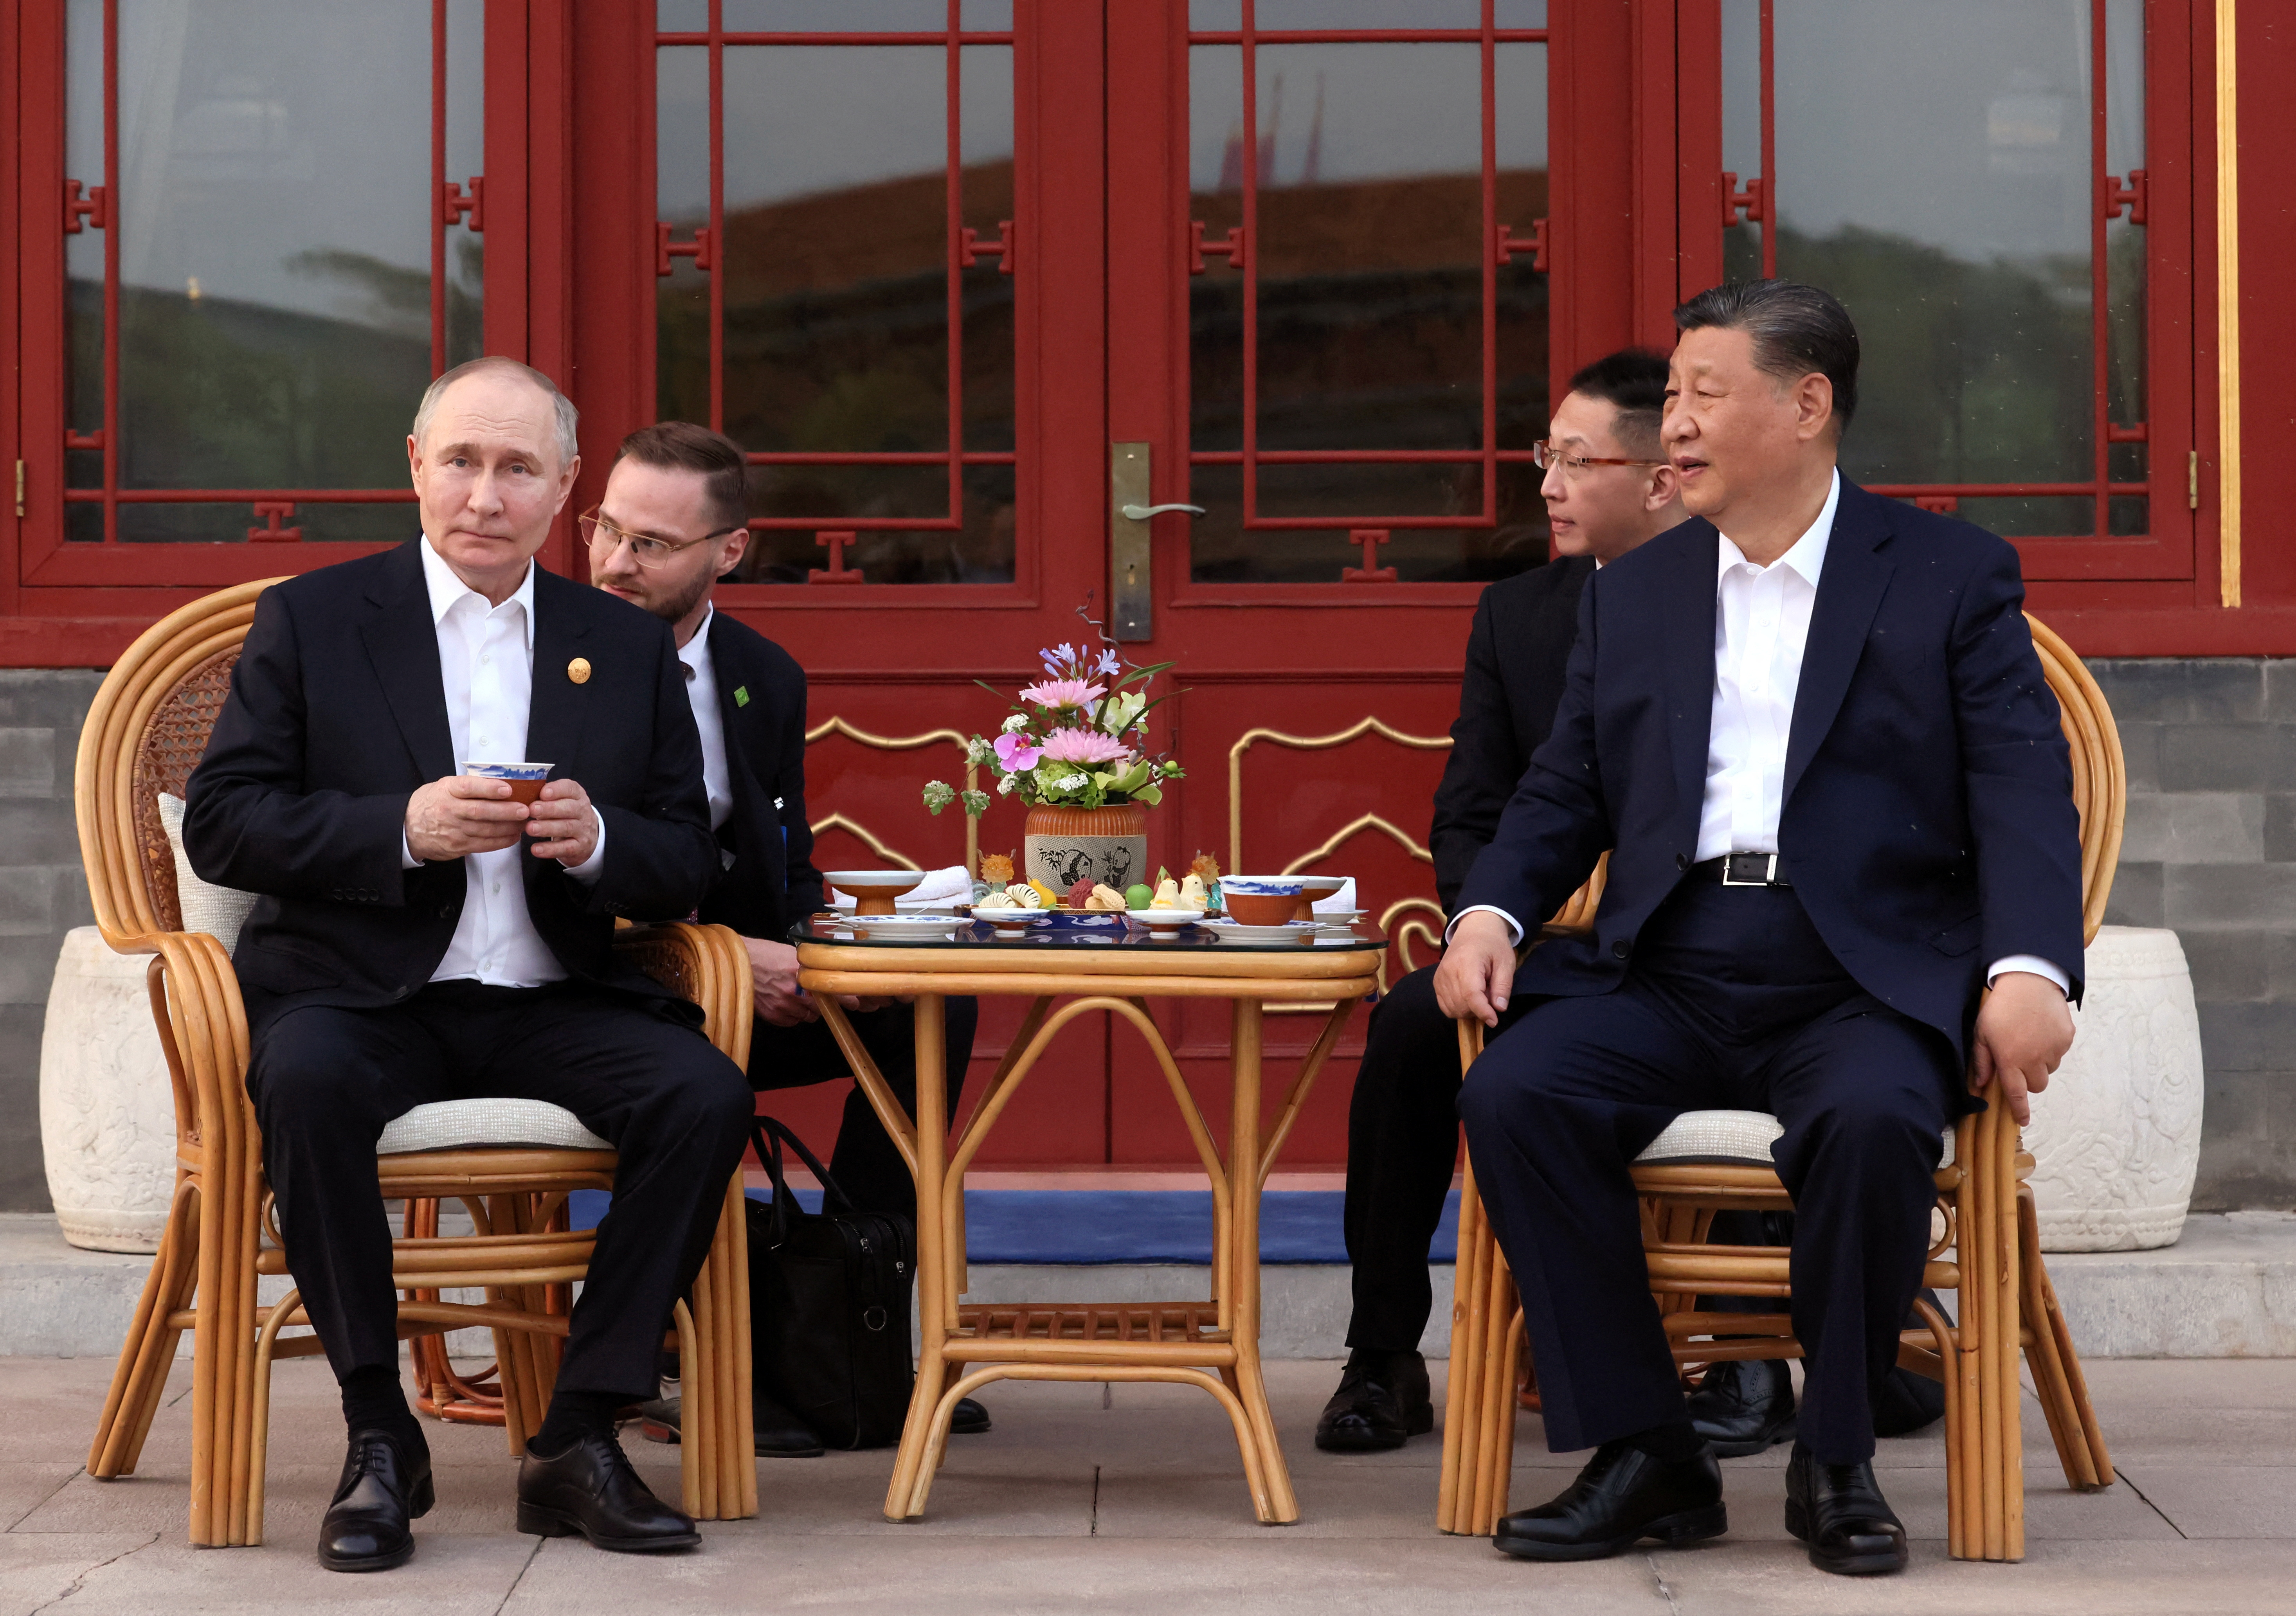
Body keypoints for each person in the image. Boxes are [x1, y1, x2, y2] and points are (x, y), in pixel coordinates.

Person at [1435, 280, 2082, 1578]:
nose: (1671, 424)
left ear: (1806, 405)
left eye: (1701, 394)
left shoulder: (1946, 575)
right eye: (1670, 395)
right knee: (1517, 1091)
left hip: (1859, 971)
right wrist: (1490, 909)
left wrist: (2029, 969)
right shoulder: (1642, 590)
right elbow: (1565, 785)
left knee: (1870, 1119)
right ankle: (1647, 1448)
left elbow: (2020, 784)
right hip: (1670, 959)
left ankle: (1833, 1454)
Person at [185, 358, 755, 1571]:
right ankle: (379, 1435)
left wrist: (599, 840)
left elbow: (684, 855)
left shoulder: (623, 642)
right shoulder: (316, 617)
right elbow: (224, 821)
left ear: (565, 489)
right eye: (459, 461)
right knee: (309, 1079)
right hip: (359, 988)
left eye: (514, 468)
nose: (483, 495)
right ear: (414, 467)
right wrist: (400, 825)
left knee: (702, 1091)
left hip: (551, 991)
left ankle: (578, 1432)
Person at [583, 420, 988, 1452]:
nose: (614, 564)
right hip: (601, 991)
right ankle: (680, 1353)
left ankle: (838, 1335)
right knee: (696, 1062)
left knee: (925, 1009)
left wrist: (836, 950)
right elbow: (540, 888)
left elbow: (785, 862)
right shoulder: (551, 664)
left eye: (651, 545)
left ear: (729, 551)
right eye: (605, 530)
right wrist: (724, 957)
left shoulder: (764, 673)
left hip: (743, 980)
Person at [1319, 349, 1680, 1452]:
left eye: (1577, 460)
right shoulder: (1519, 615)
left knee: (1761, 997)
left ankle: (1750, 1345)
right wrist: (1493, 924)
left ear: (1663, 474)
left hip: (1687, 950)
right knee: (1410, 1025)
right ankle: (1382, 1350)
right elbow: (1470, 809)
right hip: (1547, 951)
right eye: (1545, 457)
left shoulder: (1741, 597)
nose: (1548, 486)